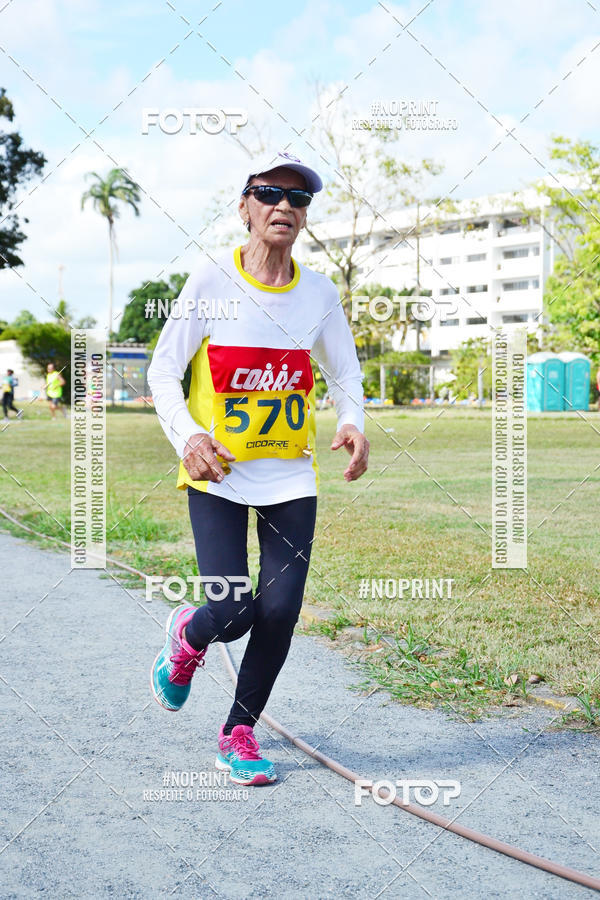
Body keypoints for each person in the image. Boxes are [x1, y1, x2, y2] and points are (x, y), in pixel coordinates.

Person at [148, 150, 369, 786]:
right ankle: (189, 634)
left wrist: (352, 421)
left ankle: (238, 732)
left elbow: (345, 372)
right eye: (269, 193)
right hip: (217, 473)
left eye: (298, 198)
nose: (284, 206)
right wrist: (189, 436)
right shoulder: (212, 281)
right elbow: (163, 371)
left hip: (290, 476)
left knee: (279, 610)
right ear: (244, 206)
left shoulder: (318, 293)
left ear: (305, 216)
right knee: (232, 608)